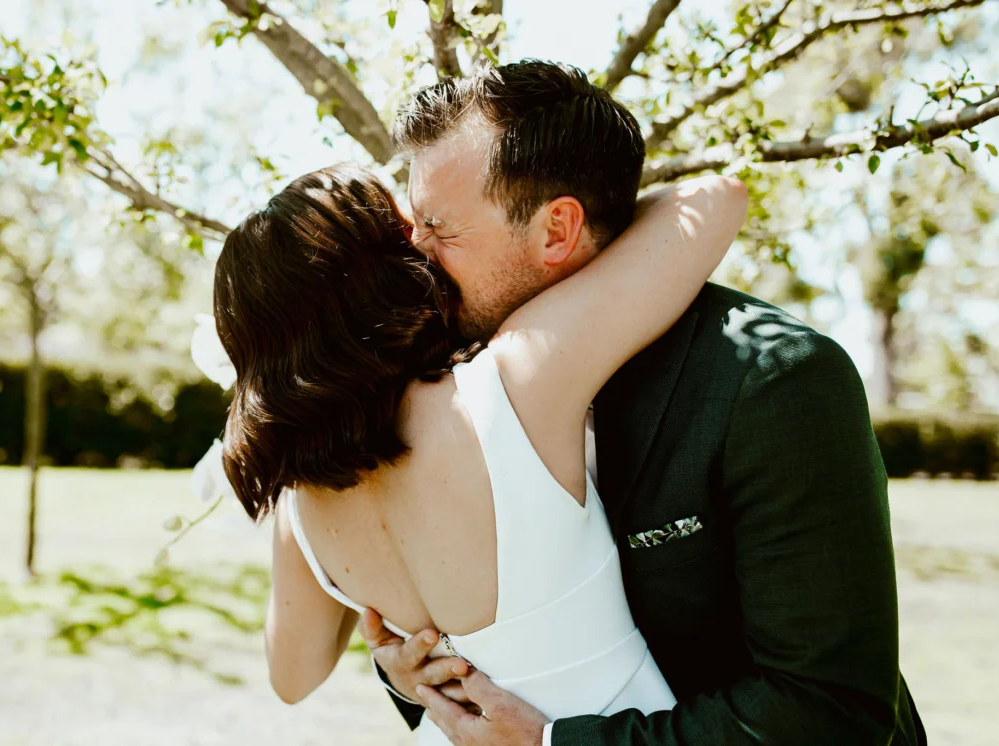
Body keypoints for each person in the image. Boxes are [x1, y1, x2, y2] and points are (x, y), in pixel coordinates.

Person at [362, 61, 927, 746]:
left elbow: (828, 711)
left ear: (556, 231)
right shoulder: (450, 397)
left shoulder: (774, 382)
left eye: (438, 229)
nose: (414, 257)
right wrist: (414, 674)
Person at [212, 139, 746, 744]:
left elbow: (294, 677)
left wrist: (395, 663)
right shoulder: (511, 384)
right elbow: (713, 200)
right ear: (384, 270)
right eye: (413, 232)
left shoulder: (300, 504)